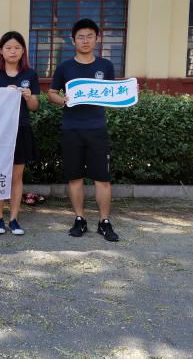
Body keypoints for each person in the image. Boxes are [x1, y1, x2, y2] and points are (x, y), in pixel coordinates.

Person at [47, 18, 119, 242]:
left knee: (102, 179)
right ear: (73, 40)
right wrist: (63, 100)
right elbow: (51, 94)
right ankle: (80, 219)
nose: (85, 41)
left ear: (97, 39)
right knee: (75, 177)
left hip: (97, 129)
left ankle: (104, 222)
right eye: (80, 37)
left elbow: (113, 94)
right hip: (72, 129)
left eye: (89, 36)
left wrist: (128, 92)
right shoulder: (65, 67)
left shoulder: (106, 66)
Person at [0, 31, 40, 235]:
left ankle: (14, 219)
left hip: (21, 129)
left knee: (16, 177)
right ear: (1, 51)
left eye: (17, 47)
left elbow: (34, 107)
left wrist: (29, 96)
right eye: (8, 48)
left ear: (23, 51)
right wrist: (2, 95)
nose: (13, 51)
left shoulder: (30, 74)